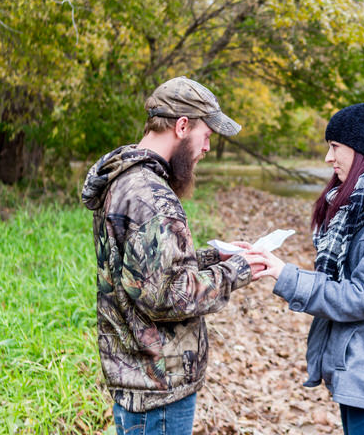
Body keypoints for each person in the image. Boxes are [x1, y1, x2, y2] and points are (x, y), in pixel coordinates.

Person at [81, 76, 256, 435]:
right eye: (206, 136)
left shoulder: (130, 181)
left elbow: (145, 271)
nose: (207, 147)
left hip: (140, 381)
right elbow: (168, 297)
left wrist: (217, 256)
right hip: (157, 392)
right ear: (181, 126)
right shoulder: (151, 195)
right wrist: (240, 270)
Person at [245, 103, 364, 435]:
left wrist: (284, 274)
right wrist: (275, 266)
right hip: (359, 367)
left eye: (335, 147)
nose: (328, 158)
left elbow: (362, 298)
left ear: (360, 151)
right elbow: (340, 282)